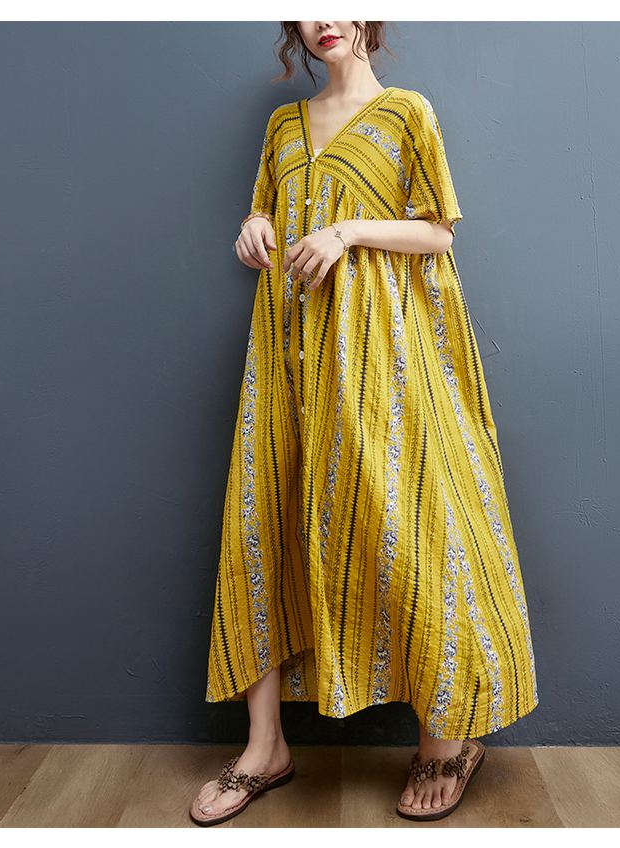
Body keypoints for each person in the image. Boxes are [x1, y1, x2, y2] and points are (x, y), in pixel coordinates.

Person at [191, 21, 539, 826]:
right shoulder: (282, 126)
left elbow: (439, 230)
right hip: (286, 355)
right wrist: (253, 229)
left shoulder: (408, 111)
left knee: (414, 525)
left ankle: (446, 741)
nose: (325, 18)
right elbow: (265, 214)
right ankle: (264, 747)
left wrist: (348, 230)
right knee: (265, 525)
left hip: (387, 355)